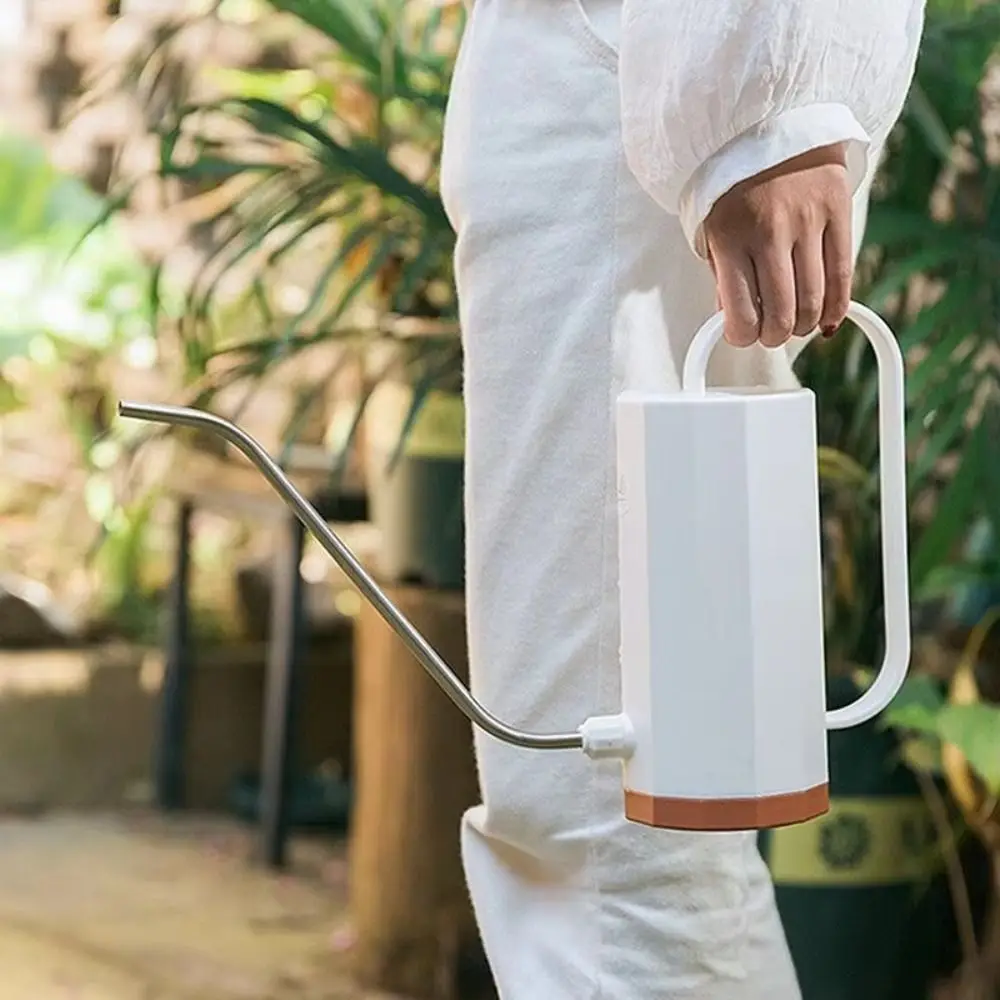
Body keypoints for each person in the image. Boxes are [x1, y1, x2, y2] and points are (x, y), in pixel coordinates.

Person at [438, 0, 925, 996]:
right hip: (614, 81)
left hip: (646, 90)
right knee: (586, 808)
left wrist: (765, 111)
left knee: (616, 819)